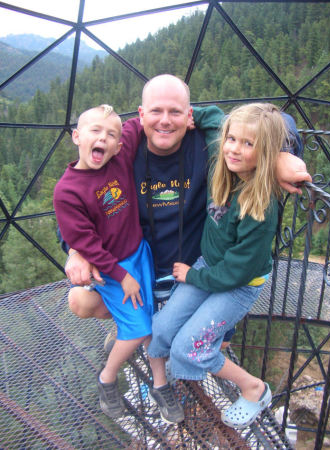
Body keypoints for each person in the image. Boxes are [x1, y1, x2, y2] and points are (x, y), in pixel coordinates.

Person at [60, 75, 311, 424]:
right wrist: (73, 249)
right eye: (156, 112)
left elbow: (278, 122)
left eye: (175, 112)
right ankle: (135, 337)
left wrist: (282, 154)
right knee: (81, 301)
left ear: (189, 115)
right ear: (141, 115)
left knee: (197, 343)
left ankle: (164, 357)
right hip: (144, 269)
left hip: (200, 270)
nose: (165, 120)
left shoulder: (212, 145)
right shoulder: (123, 149)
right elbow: (77, 197)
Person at [146, 103, 289, 429]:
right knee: (162, 329)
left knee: (188, 348)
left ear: (265, 152)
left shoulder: (260, 208)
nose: (235, 149)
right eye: (232, 139)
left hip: (238, 285)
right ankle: (185, 363)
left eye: (248, 143)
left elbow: (237, 271)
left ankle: (254, 388)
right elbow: (214, 119)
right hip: (209, 266)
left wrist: (195, 276)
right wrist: (187, 112)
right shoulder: (222, 167)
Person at [53, 105, 155, 420]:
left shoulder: (120, 157)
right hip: (114, 268)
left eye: (111, 134)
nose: (103, 138)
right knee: (141, 327)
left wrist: (192, 115)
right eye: (95, 131)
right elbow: (82, 240)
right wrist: (118, 274)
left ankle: (157, 384)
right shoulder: (68, 190)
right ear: (76, 136)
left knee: (148, 323)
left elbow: (143, 120)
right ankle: (108, 377)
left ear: (119, 144)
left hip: (140, 254)